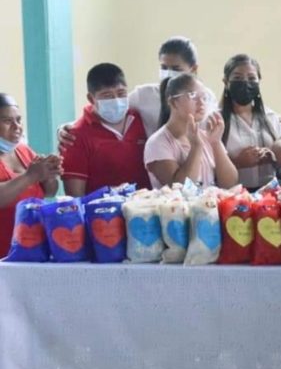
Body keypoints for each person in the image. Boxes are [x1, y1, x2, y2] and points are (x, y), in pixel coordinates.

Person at [57, 36, 217, 147]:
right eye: (163, 68)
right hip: (157, 167)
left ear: (193, 69)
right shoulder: (145, 95)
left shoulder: (205, 97)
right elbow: (108, 107)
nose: (168, 74)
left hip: (195, 163)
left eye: (176, 69)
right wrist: (68, 127)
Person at [61, 63, 151, 196]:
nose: (116, 100)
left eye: (121, 93)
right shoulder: (75, 137)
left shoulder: (141, 119)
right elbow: (76, 198)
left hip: (147, 211)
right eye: (107, 96)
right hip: (103, 215)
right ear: (91, 98)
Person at [144, 73, 237, 189]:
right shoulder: (157, 143)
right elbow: (181, 189)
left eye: (204, 97)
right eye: (193, 96)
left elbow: (230, 184)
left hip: (210, 206)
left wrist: (216, 143)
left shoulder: (207, 136)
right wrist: (196, 146)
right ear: (173, 102)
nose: (201, 102)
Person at [0, 93, 61, 257]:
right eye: (7, 121)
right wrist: (30, 176)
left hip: (33, 250)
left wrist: (49, 175)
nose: (16, 126)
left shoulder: (24, 151)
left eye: (18, 120)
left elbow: (49, 192)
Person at [220, 54, 281, 191]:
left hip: (270, 196)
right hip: (231, 198)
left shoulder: (271, 118)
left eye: (251, 78)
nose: (245, 83)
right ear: (226, 82)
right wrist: (238, 163)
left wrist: (274, 157)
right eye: (237, 78)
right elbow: (207, 168)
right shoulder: (215, 120)